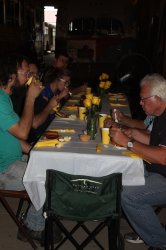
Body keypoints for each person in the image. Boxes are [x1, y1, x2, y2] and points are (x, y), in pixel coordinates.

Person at [110, 73, 166, 250]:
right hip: (156, 170)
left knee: (128, 195)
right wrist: (130, 132)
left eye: (143, 99)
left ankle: (160, 242)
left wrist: (127, 142)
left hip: (163, 175)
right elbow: (153, 141)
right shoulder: (160, 115)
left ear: (157, 98)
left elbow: (162, 156)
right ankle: (145, 226)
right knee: (118, 173)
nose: (140, 103)